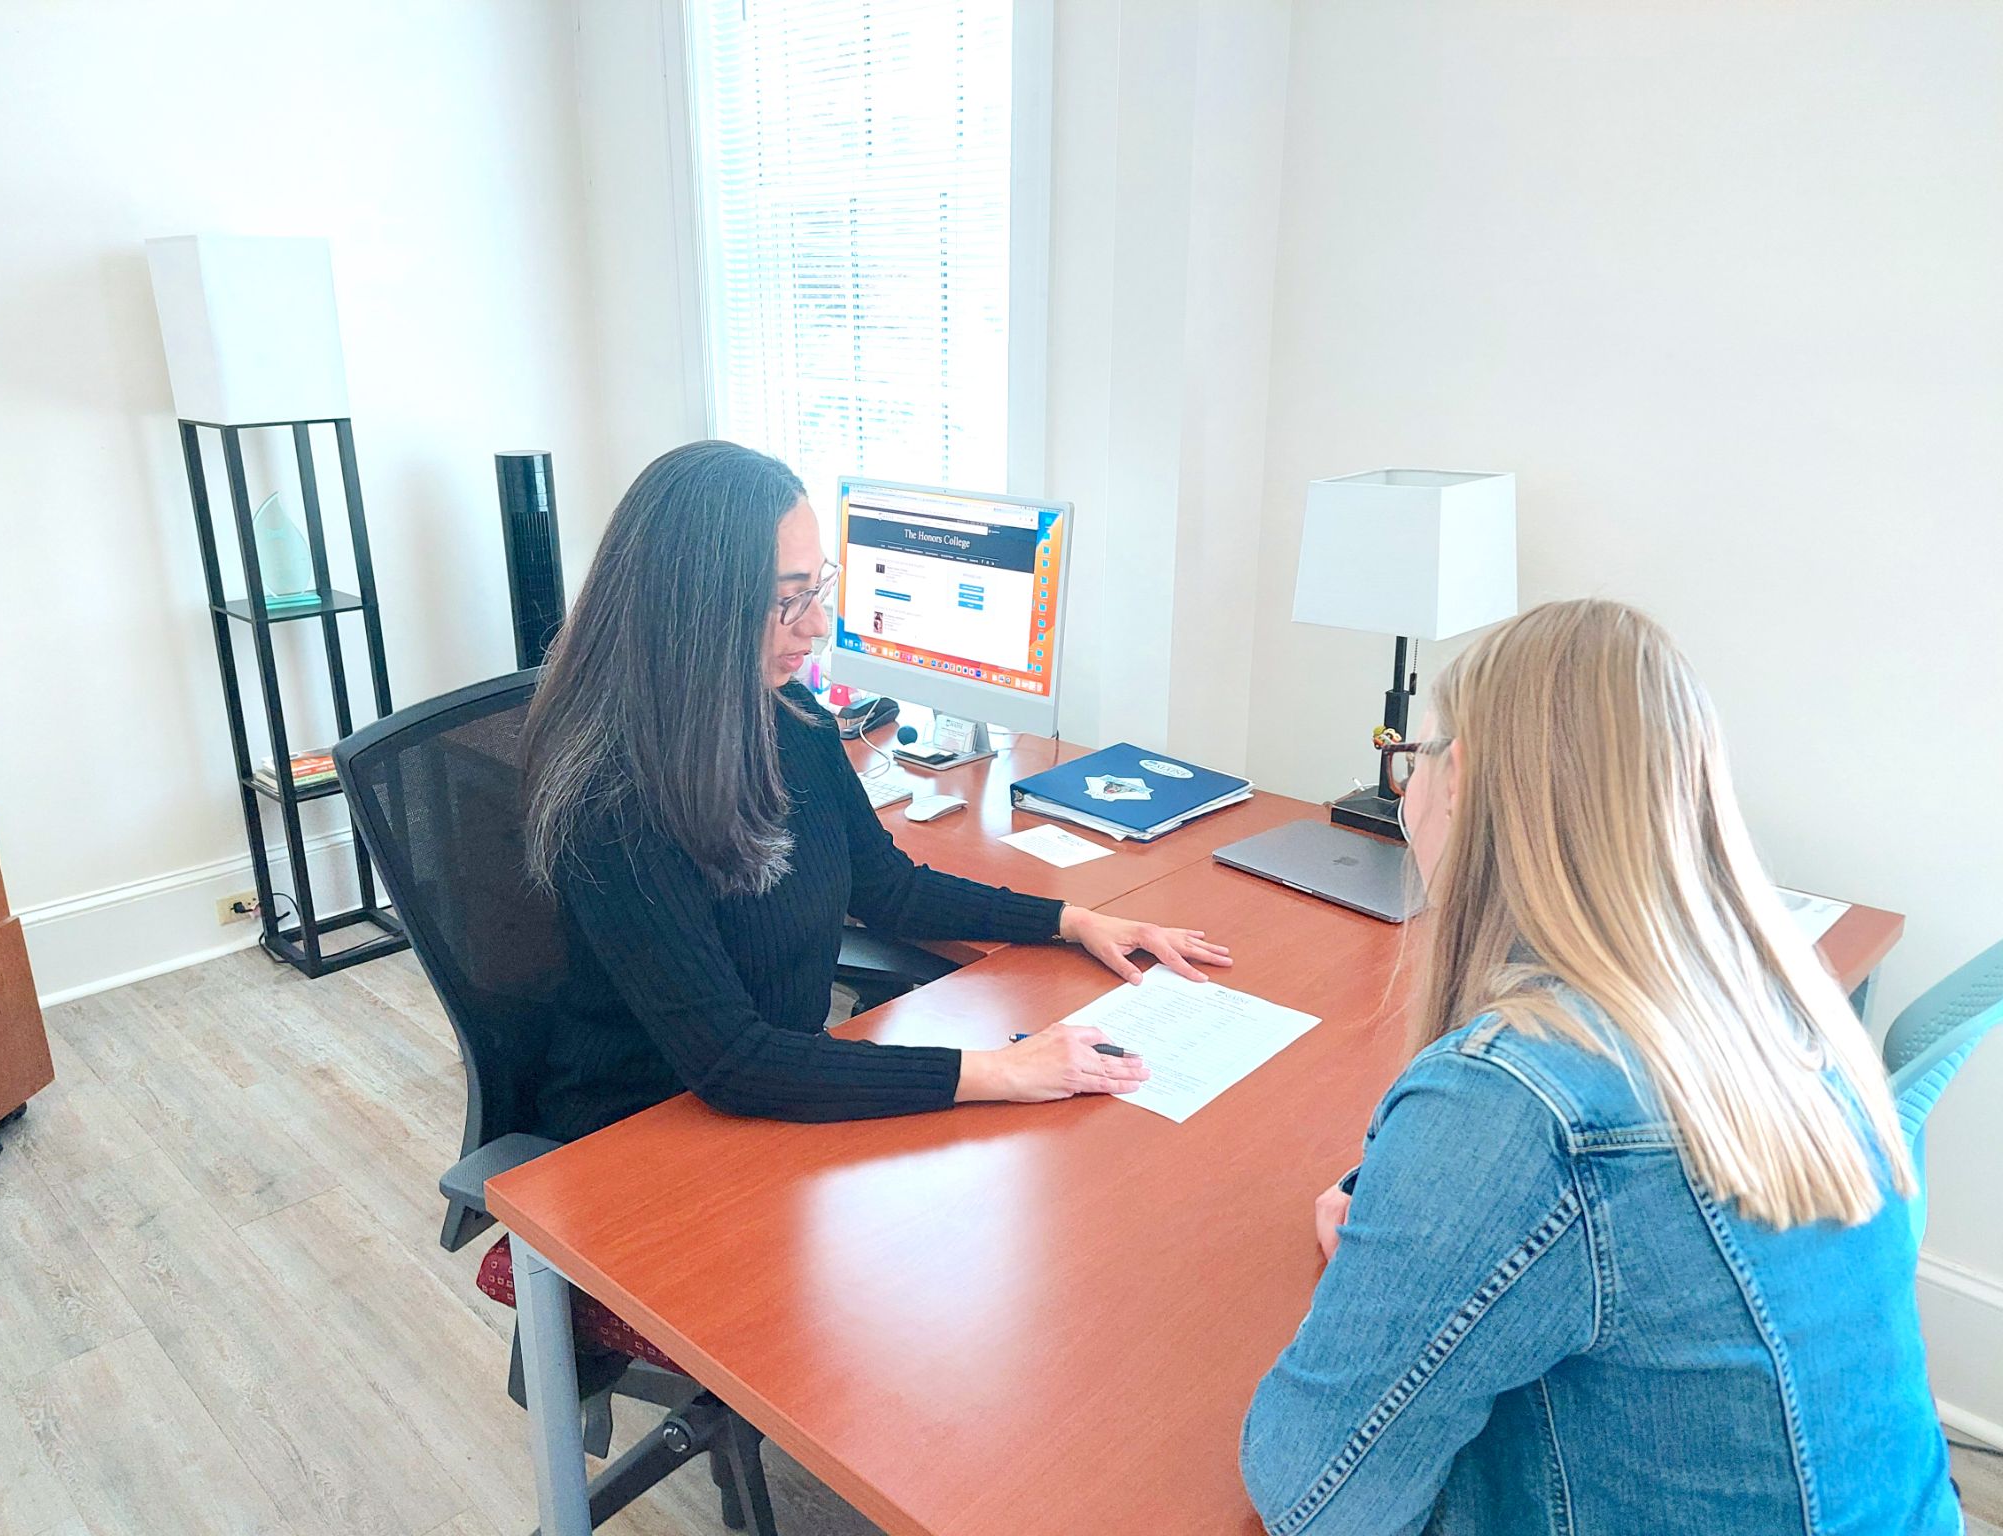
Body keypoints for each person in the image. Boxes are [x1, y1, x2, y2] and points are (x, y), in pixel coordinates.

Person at [1240, 600, 1958, 1535]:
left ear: (1457, 780)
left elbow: (1313, 1494)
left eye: (1411, 756)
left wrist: (1373, 1281)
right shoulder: (1780, 998)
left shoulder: (1513, 1100)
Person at [519, 440, 1230, 1141]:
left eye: (816, 589)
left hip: (771, 1098)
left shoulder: (788, 719)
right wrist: (1001, 1073)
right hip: (641, 1134)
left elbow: (886, 887)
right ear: (691, 609)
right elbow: (734, 1061)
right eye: (785, 601)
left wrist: (1071, 919)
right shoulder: (611, 799)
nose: (819, 626)